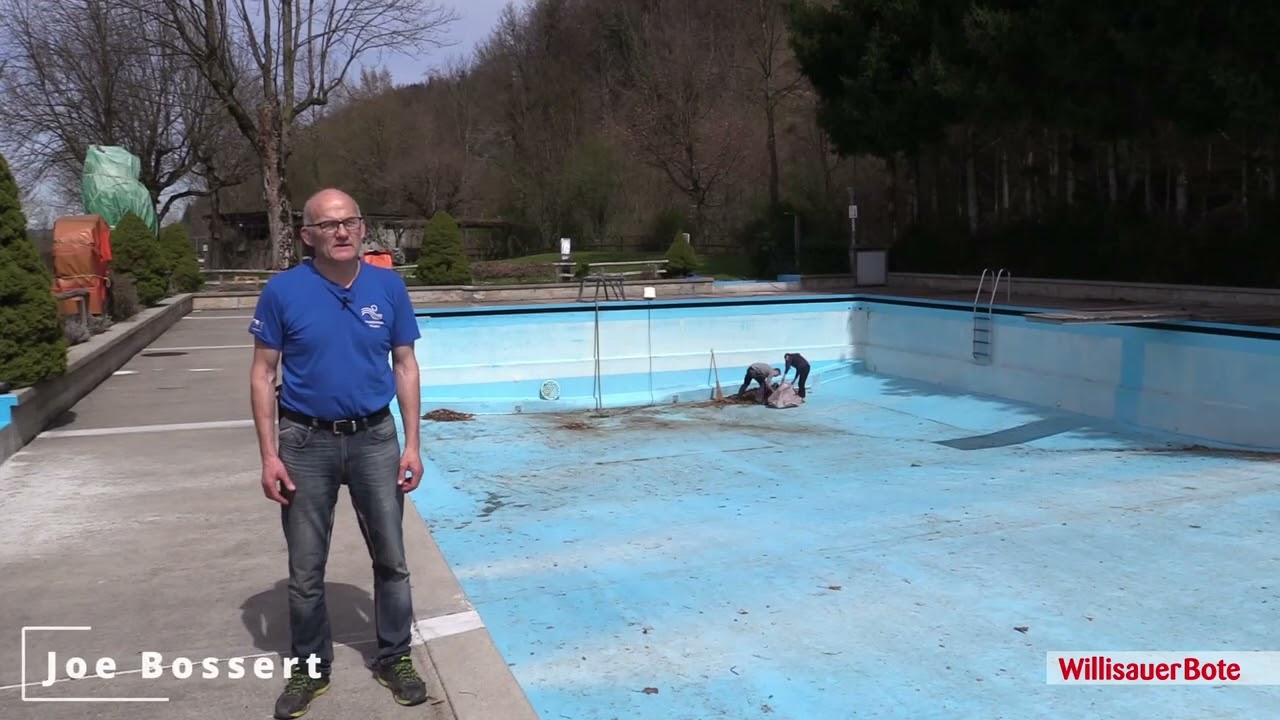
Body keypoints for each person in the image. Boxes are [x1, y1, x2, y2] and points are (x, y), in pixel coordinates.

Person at [247, 188, 428, 719]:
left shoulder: (388, 287)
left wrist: (412, 442)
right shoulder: (282, 292)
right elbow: (262, 375)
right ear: (308, 236)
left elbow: (406, 365)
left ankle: (395, 656)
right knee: (306, 570)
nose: (342, 231)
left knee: (392, 560)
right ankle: (309, 667)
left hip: (375, 438)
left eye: (350, 222)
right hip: (305, 443)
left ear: (363, 227)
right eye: (328, 225)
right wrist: (268, 455)